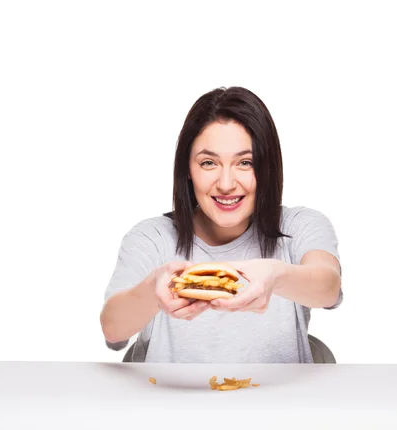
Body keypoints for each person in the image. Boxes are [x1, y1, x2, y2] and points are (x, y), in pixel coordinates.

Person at [100, 86, 343, 363]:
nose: (226, 184)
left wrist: (277, 276)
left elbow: (328, 288)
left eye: (245, 162)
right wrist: (153, 289)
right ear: (187, 170)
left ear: (268, 169)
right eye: (208, 163)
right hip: (172, 404)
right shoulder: (152, 237)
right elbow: (112, 328)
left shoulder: (300, 225)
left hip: (279, 405)